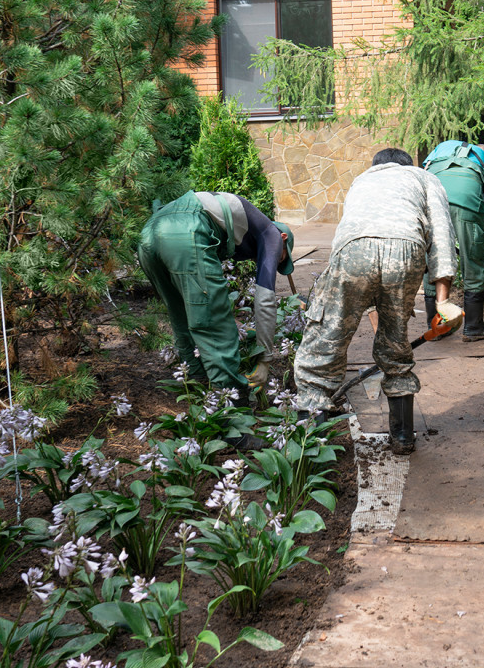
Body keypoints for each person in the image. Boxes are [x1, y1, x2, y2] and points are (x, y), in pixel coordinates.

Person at [293, 148, 461, 453]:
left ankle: (311, 441)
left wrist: (340, 298)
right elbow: (442, 237)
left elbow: (346, 234)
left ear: (376, 166)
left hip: (353, 251)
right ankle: (402, 436)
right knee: (395, 340)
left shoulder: (361, 179)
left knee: (327, 339)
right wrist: (442, 301)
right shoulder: (424, 177)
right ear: (408, 165)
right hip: (406, 248)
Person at [135, 190, 295, 395]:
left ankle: (196, 383)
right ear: (283, 238)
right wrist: (265, 360)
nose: (275, 261)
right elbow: (264, 300)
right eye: (281, 258)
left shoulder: (238, 229)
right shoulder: (271, 234)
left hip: (149, 233)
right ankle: (230, 401)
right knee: (216, 325)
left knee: (180, 313)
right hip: (187, 229)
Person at [420, 140, 484, 341]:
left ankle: (438, 326)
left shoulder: (441, 148)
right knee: (472, 261)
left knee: (433, 261)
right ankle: (474, 327)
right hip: (466, 201)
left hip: (432, 199)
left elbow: (423, 175)